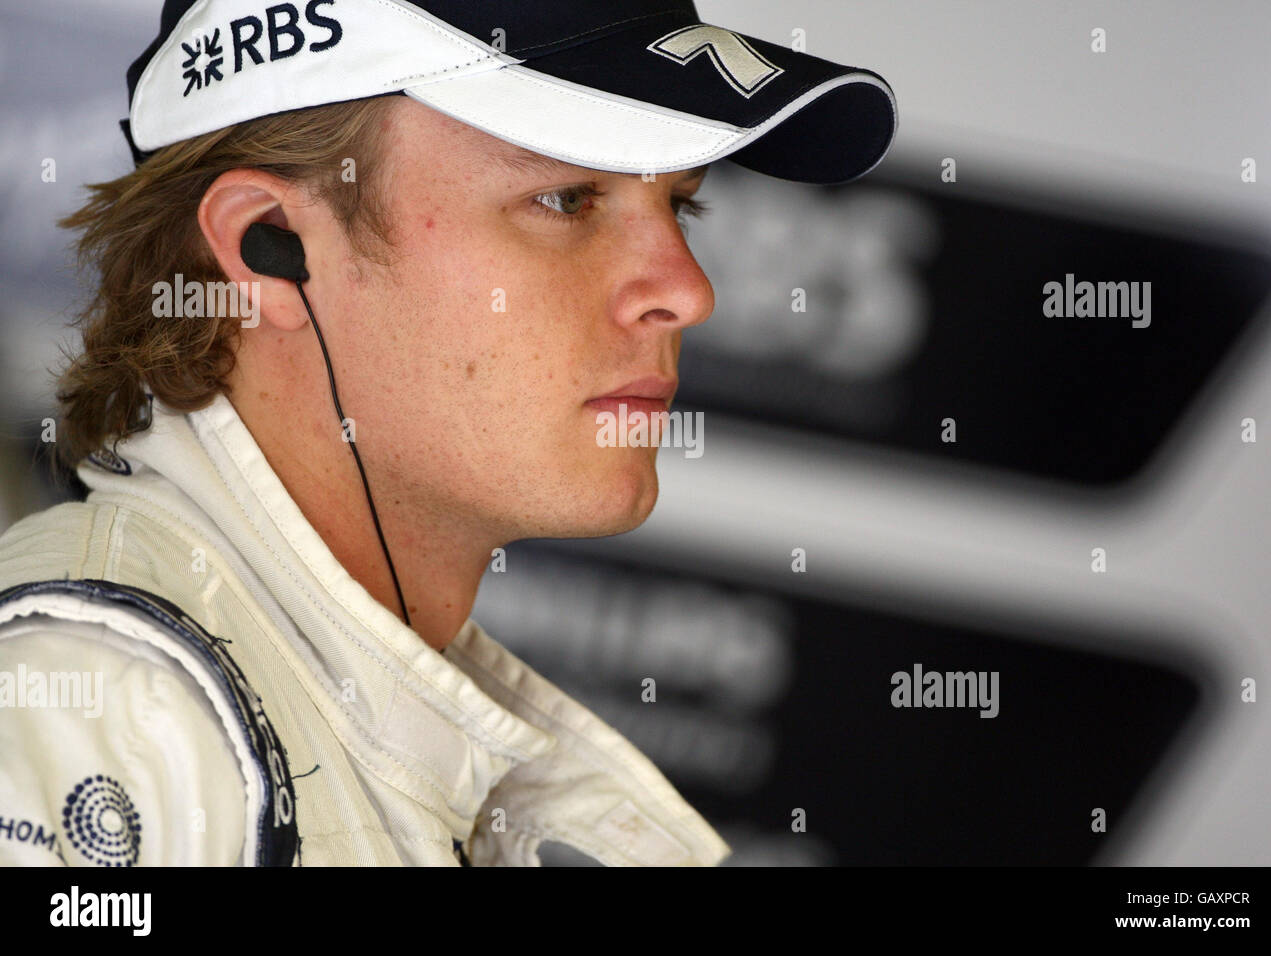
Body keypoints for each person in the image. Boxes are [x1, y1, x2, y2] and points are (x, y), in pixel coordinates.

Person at [0, 0, 895, 866]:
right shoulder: (92, 714)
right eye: (568, 198)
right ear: (268, 245)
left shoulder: (267, 718)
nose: (688, 291)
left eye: (681, 206)